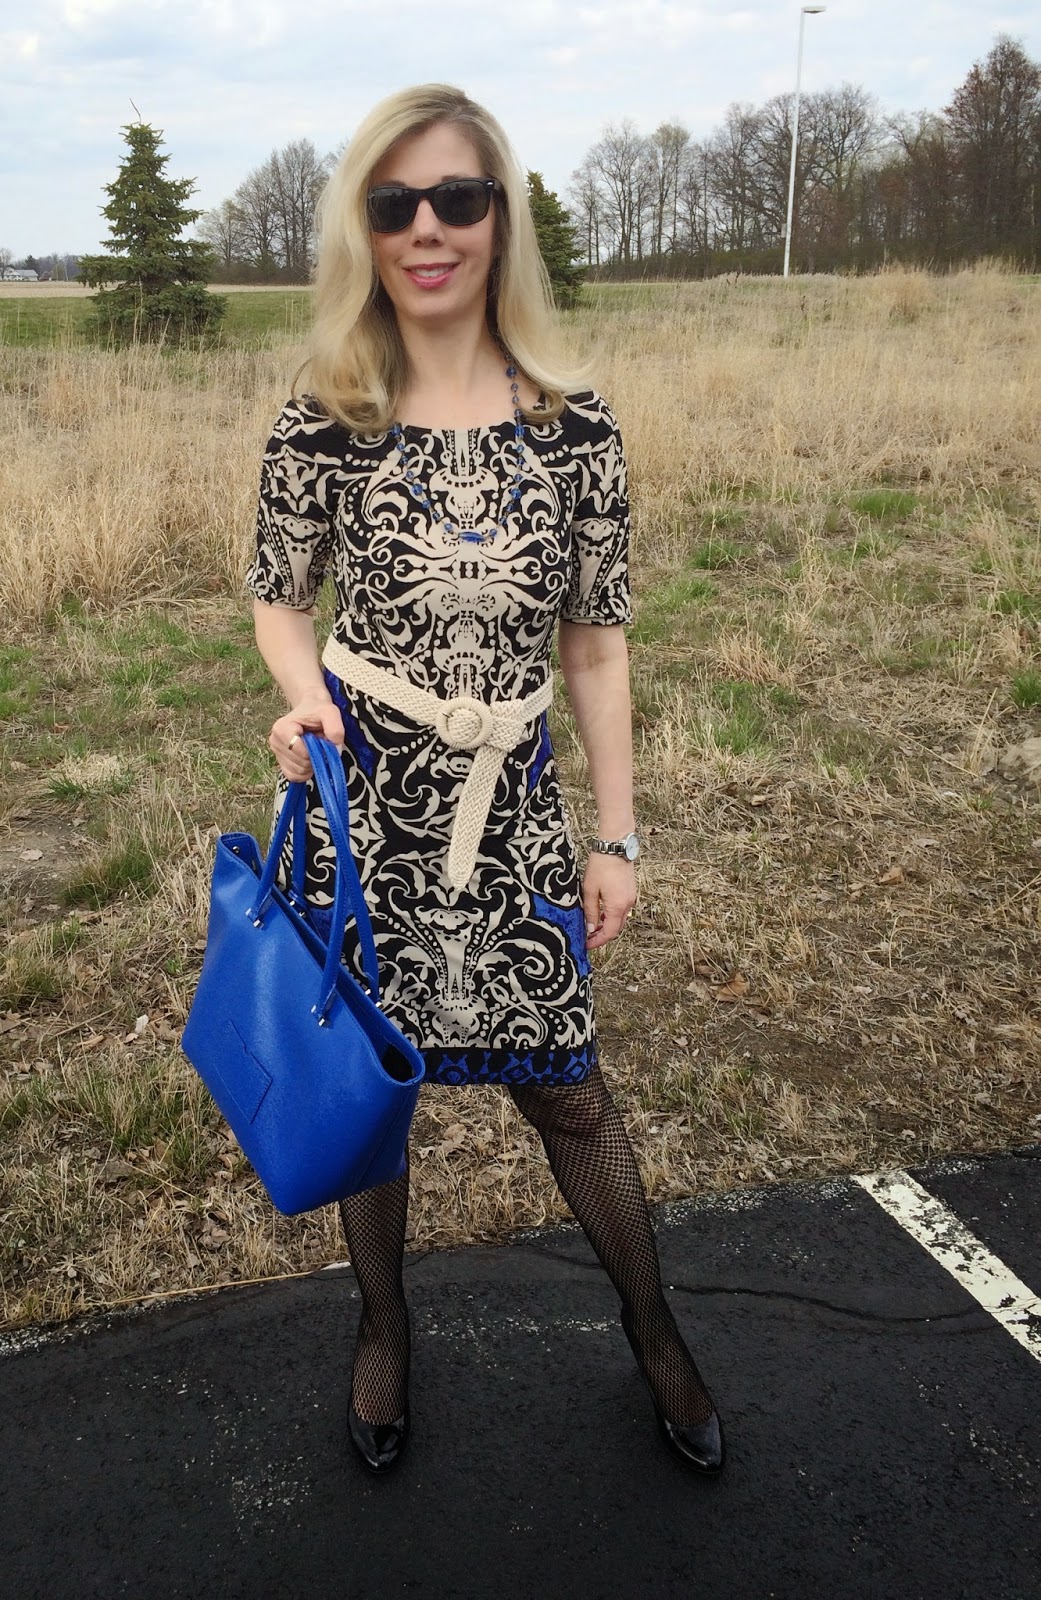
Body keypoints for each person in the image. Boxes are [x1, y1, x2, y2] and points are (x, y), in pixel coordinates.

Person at [245, 83, 724, 1478]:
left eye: (456, 198)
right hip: (366, 805)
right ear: (365, 228)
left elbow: (596, 650)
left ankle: (655, 1331)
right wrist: (304, 696)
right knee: (369, 1091)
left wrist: (616, 836)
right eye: (393, 204)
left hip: (508, 809)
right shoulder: (325, 416)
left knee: (570, 1092)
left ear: (499, 218)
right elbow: (280, 600)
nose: (426, 229)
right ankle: (383, 1329)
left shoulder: (576, 427)